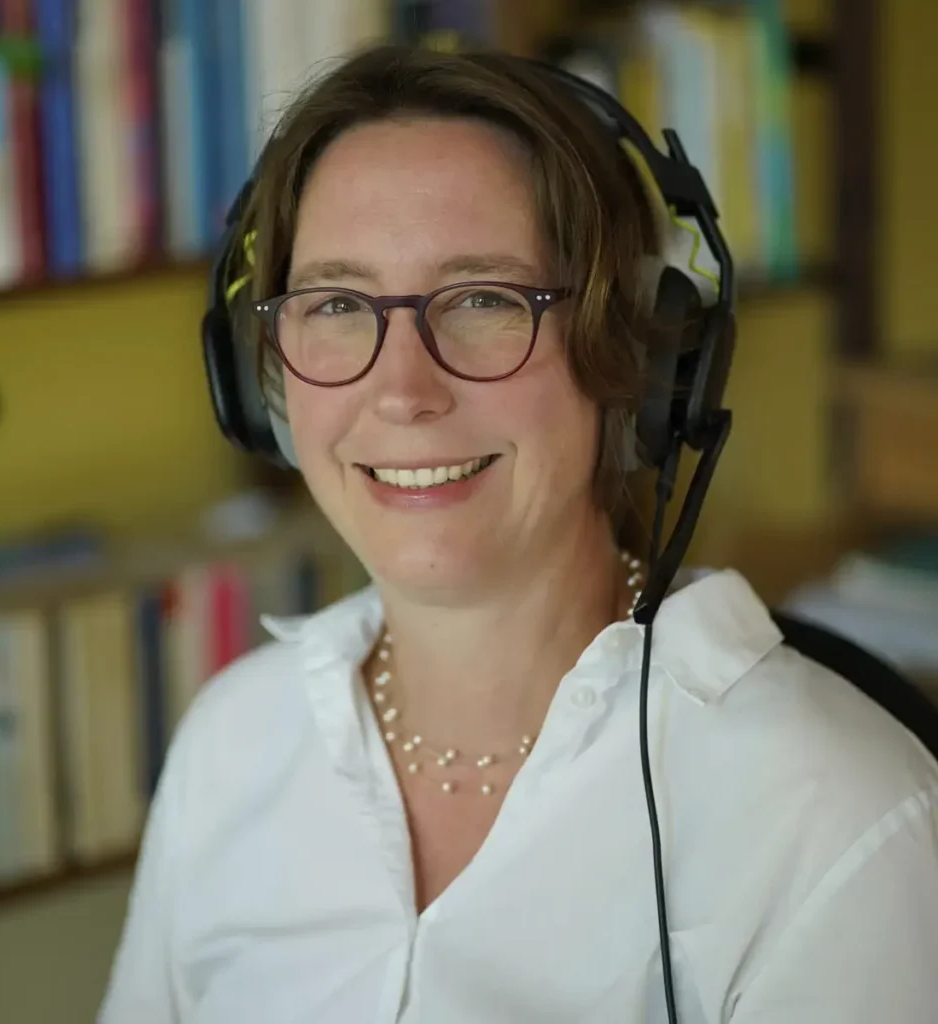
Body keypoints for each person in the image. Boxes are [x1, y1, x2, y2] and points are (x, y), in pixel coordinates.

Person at [99, 44, 938, 1023]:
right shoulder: (229, 746)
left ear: (634, 361)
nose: (403, 391)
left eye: (485, 300)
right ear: (265, 381)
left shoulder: (837, 816)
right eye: (335, 303)